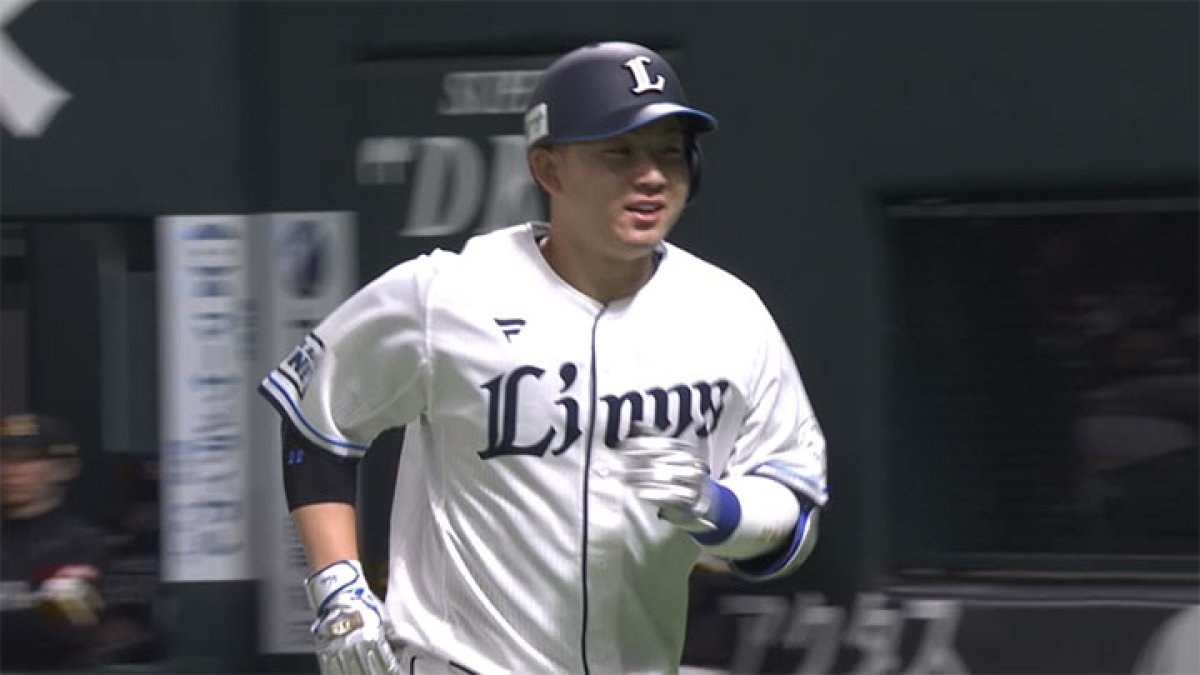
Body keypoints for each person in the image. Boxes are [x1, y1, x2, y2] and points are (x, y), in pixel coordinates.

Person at [259, 40, 828, 675]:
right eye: (619, 152)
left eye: (670, 152)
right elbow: (315, 422)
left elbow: (794, 510)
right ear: (548, 170)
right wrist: (338, 587)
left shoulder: (730, 314)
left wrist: (720, 509)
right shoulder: (447, 295)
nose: (650, 175)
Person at [0, 412, 109, 671]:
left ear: (66, 468)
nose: (11, 470)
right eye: (3, 459)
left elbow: (63, 629)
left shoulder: (80, 543)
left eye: (28, 458)